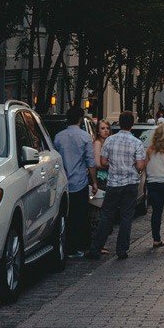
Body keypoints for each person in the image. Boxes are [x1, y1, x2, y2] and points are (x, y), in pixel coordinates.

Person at [90, 111, 147, 260]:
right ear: (132, 124)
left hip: (114, 183)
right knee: (126, 217)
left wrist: (114, 164)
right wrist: (132, 165)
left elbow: (102, 162)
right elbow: (141, 165)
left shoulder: (110, 140)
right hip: (131, 184)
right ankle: (122, 250)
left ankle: (96, 248)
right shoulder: (137, 143)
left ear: (119, 123)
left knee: (106, 215)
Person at [52, 107, 97, 259]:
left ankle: (65, 245)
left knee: (65, 215)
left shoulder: (58, 137)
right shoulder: (85, 137)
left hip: (62, 182)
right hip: (80, 181)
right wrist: (95, 182)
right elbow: (90, 162)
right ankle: (76, 246)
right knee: (79, 215)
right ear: (80, 119)